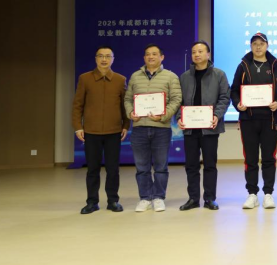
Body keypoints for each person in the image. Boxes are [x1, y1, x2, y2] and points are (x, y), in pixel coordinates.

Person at [230, 32, 277, 210]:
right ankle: (252, 194)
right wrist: (238, 104)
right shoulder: (243, 66)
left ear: (267, 45)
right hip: (248, 119)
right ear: (251, 46)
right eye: (254, 44)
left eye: (261, 44)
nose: (258, 47)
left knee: (269, 158)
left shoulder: (276, 66)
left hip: (270, 120)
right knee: (250, 158)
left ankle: (268, 193)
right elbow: (234, 90)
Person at [71, 46, 130, 214]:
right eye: (101, 56)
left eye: (108, 56)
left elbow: (124, 106)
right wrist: (78, 127)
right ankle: (92, 202)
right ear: (96, 58)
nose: (104, 59)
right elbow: (77, 105)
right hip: (91, 131)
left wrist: (126, 125)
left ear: (113, 59)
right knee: (92, 169)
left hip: (114, 132)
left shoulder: (120, 80)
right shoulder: (85, 79)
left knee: (113, 169)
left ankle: (113, 201)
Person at [124, 44, 182, 213]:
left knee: (160, 167)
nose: (151, 57)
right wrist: (130, 113)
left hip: (161, 128)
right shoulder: (135, 76)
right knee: (141, 167)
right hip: (139, 128)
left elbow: (176, 99)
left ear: (161, 57)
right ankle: (145, 198)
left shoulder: (171, 76)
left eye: (154, 54)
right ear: (144, 58)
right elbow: (128, 99)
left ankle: (158, 197)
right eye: (148, 54)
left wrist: (163, 116)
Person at [177, 40, 230, 211]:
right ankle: (193, 198)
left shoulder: (219, 75)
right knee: (191, 165)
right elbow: (178, 101)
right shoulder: (184, 77)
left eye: (200, 51)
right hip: (190, 128)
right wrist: (179, 117)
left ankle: (209, 198)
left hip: (210, 128)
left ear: (208, 54)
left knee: (210, 164)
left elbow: (224, 98)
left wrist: (216, 115)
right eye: (194, 52)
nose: (197, 55)